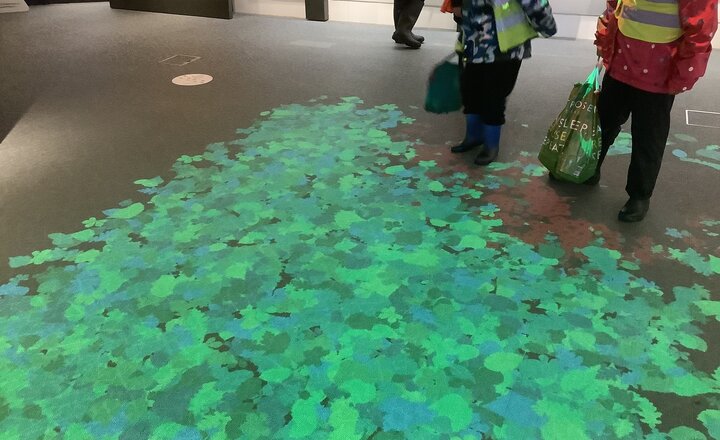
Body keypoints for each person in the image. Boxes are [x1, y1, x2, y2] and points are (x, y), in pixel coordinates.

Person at [595, 0, 718, 222]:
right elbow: (615, 5)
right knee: (603, 120)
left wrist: (685, 71)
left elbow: (701, 22)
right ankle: (589, 167)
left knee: (649, 136)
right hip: (621, 57)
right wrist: (605, 36)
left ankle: (639, 195)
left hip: (660, 70)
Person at [450, 0, 557, 165]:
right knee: (470, 92)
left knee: (494, 97)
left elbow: (535, 4)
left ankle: (491, 145)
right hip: (474, 43)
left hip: (505, 48)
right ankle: (473, 137)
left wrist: (548, 26)